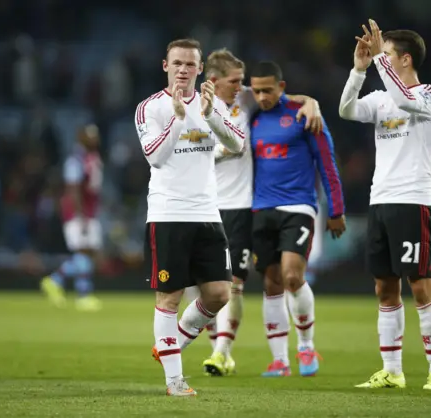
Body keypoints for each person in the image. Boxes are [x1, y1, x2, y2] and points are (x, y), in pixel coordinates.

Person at [192, 48, 323, 377]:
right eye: (235, 81)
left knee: (233, 282)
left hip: (240, 208)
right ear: (213, 81)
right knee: (201, 286)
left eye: (242, 81)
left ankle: (223, 352)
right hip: (202, 207)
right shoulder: (194, 109)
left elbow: (283, 94)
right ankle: (217, 351)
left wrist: (312, 102)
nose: (242, 87)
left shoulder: (246, 99)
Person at [339, 20, 431, 390]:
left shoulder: (428, 94)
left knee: (420, 285)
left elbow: (404, 98)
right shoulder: (382, 97)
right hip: (380, 200)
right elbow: (346, 110)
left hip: (413, 201)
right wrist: (358, 70)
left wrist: (379, 64)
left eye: (385, 54)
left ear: (404, 59)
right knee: (384, 288)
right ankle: (393, 371)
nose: (379, 59)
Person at [134, 38, 245, 396]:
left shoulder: (211, 105)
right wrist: (179, 120)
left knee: (219, 293)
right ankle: (174, 380)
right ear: (165, 66)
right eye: (177, 63)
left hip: (208, 214)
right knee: (170, 297)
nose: (183, 69)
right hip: (168, 214)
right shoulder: (150, 108)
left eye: (190, 64)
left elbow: (238, 144)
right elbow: (154, 156)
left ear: (200, 70)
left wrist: (211, 114)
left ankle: (172, 345)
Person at [250, 60, 346, 378]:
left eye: (268, 90)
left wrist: (336, 209)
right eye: (257, 90)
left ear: (281, 86)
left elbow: (327, 162)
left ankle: (306, 346)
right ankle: (280, 360)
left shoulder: (305, 115)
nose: (262, 96)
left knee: (293, 276)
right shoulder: (251, 118)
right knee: (271, 282)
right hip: (261, 209)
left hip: (298, 207)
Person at [41, 124, 104, 312]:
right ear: (81, 138)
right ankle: (82, 295)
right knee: (83, 252)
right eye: (90, 136)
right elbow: (73, 189)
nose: (94, 139)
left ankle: (55, 281)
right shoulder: (76, 160)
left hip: (89, 211)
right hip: (79, 213)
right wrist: (81, 215)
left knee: (87, 253)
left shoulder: (91, 158)